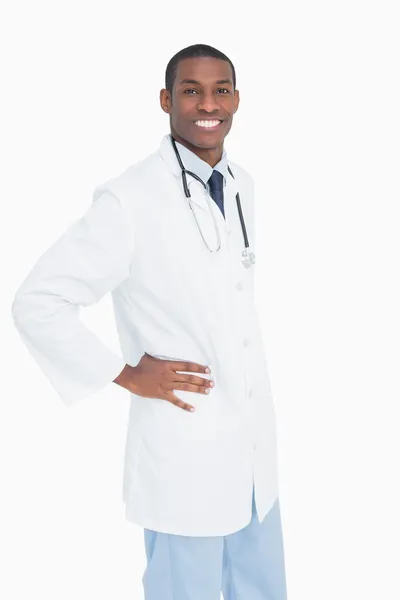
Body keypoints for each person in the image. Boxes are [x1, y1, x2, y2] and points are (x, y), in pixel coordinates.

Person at [11, 43, 288, 599]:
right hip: (184, 444)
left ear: (237, 100)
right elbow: (37, 301)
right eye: (191, 91)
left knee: (261, 589)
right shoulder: (129, 199)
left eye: (220, 90)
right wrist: (125, 373)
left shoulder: (242, 187)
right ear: (166, 100)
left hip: (252, 449)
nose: (208, 103)